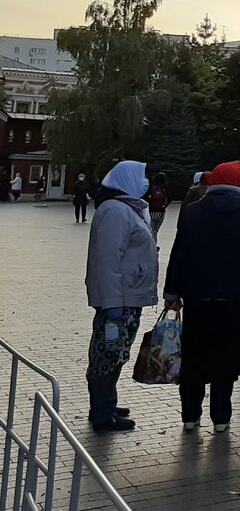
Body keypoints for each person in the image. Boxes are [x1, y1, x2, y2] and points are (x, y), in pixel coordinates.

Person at [163, 161, 240, 432]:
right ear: (239, 183)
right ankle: (221, 418)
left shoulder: (193, 211)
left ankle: (190, 416)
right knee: (226, 360)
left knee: (194, 358)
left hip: (197, 298)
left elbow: (179, 255)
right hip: (233, 300)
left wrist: (172, 293)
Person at [84, 160, 159, 432]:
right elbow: (107, 262)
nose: (146, 181)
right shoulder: (116, 211)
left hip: (129, 297)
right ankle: (102, 413)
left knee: (116, 353)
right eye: (141, 176)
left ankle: (106, 403)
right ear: (126, 180)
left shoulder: (127, 208)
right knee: (106, 354)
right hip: (119, 300)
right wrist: (112, 305)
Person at [147, 172, 170, 240]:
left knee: (151, 230)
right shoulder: (164, 188)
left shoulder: (150, 186)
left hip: (151, 212)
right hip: (161, 212)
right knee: (156, 230)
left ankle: (153, 246)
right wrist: (164, 206)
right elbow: (170, 198)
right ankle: (154, 244)